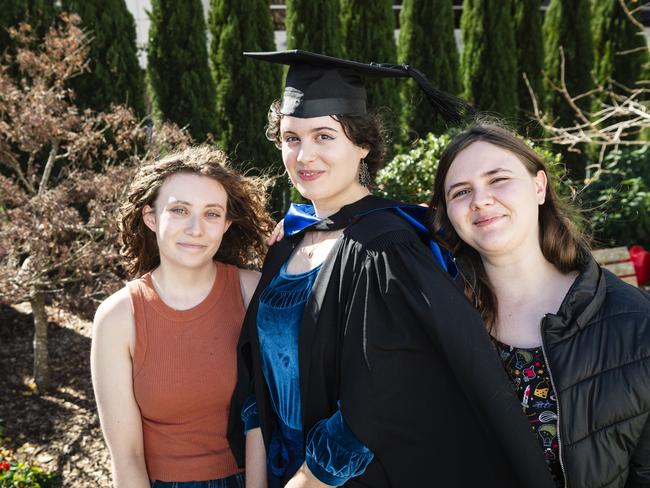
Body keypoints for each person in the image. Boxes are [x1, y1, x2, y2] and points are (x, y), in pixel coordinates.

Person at [227, 50, 556, 488]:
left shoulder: (388, 246)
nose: (304, 154)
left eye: (324, 136)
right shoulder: (286, 243)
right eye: (291, 138)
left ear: (363, 144)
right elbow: (257, 379)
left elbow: (385, 395)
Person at [428, 122, 650, 488]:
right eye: (461, 191)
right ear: (447, 212)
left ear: (539, 187)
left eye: (498, 179)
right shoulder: (435, 319)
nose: (481, 199)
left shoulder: (636, 323)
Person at [91, 146, 275, 488]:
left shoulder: (254, 293)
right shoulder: (118, 317)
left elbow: (271, 415)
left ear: (226, 224)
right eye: (179, 210)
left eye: (211, 214)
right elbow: (127, 457)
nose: (196, 229)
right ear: (150, 217)